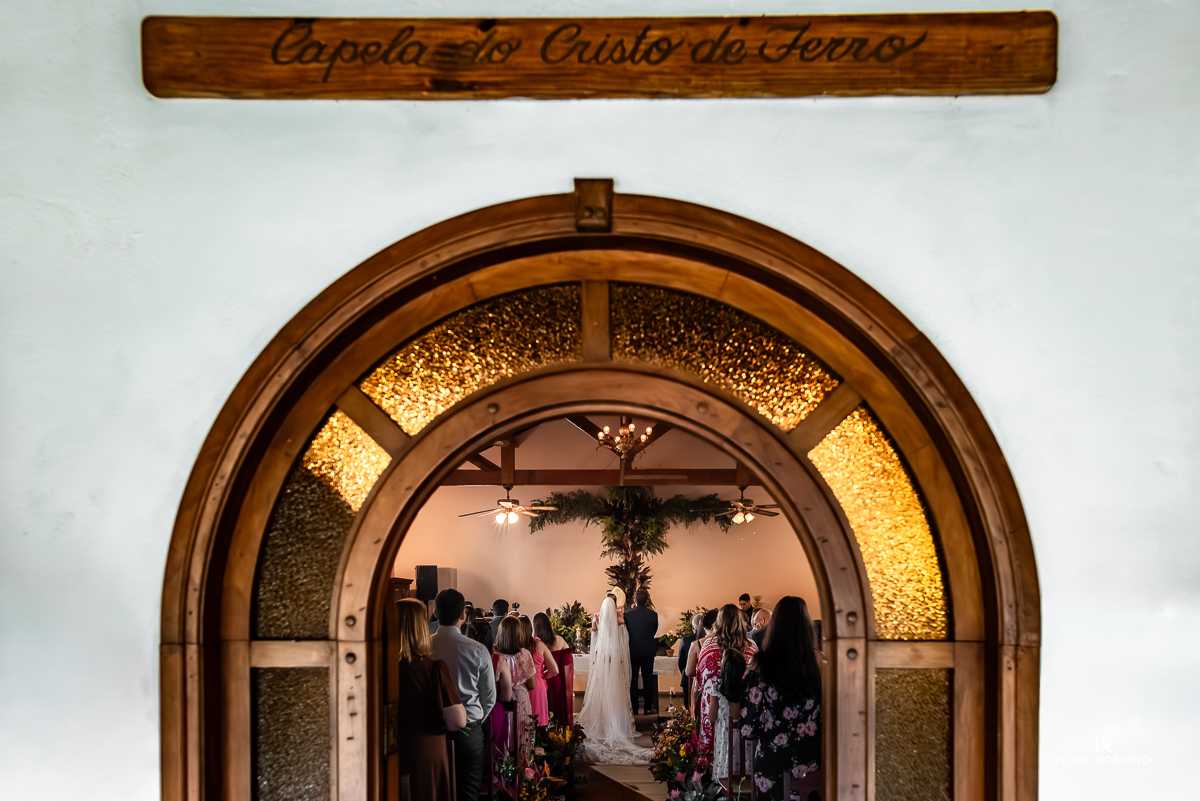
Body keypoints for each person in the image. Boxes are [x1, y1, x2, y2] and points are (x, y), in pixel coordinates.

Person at [740, 596, 822, 801]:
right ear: (806, 626)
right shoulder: (820, 662)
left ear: (774, 625)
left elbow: (748, 728)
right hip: (811, 760)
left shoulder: (760, 664)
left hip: (773, 759)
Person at [392, 598, 466, 801]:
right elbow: (457, 721)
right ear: (421, 629)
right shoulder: (433, 669)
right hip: (425, 751)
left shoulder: (377, 668)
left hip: (390, 751)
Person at [429, 589, 497, 801]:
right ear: (462, 615)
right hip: (469, 731)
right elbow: (489, 697)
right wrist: (474, 722)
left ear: (435, 612)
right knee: (468, 793)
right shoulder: (478, 650)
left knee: (436, 792)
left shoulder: (424, 646)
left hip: (432, 730)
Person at [577, 595, 653, 763]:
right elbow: (624, 641)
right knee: (616, 690)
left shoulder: (597, 618)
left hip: (601, 655)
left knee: (601, 689)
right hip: (614, 655)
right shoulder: (620, 619)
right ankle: (617, 723)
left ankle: (602, 721)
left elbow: (594, 639)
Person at [696, 604, 757, 756]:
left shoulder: (708, 645)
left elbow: (700, 679)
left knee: (711, 752)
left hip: (713, 705)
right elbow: (757, 681)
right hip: (742, 705)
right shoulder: (752, 648)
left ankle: (709, 766)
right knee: (740, 753)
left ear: (718, 622)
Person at [496, 616, 537, 761]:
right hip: (521, 697)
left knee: (505, 732)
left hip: (501, 697)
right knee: (522, 732)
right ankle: (523, 765)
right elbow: (532, 684)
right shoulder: (524, 654)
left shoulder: (496, 654)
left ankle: (504, 765)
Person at [709, 647, 746, 784]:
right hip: (743, 738)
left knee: (725, 772)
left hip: (724, 739)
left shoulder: (717, 688)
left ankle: (724, 788)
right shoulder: (747, 688)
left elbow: (712, 717)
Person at [535, 612, 575, 727]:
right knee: (557, 708)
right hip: (556, 678)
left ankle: (544, 732)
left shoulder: (536, 644)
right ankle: (559, 731)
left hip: (541, 679)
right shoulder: (559, 640)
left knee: (543, 708)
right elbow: (568, 659)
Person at [624, 587, 660, 715]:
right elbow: (654, 630)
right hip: (648, 650)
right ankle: (648, 707)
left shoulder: (627, 615)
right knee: (648, 679)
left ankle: (634, 708)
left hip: (633, 650)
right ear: (647, 600)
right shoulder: (653, 615)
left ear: (635, 599)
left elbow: (626, 633)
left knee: (633, 680)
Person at [521, 614, 560, 726]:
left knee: (522, 721)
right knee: (538, 720)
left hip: (520, 685)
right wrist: (540, 676)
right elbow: (554, 670)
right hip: (537, 684)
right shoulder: (538, 645)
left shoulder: (515, 646)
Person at [685, 608, 718, 711]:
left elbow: (689, 672)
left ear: (704, 626)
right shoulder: (726, 643)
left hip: (703, 687)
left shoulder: (697, 644)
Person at [677, 613, 704, 711]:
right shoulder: (707, 640)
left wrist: (685, 672)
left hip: (687, 676)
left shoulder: (685, 639)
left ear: (693, 626)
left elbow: (681, 661)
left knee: (688, 707)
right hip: (703, 678)